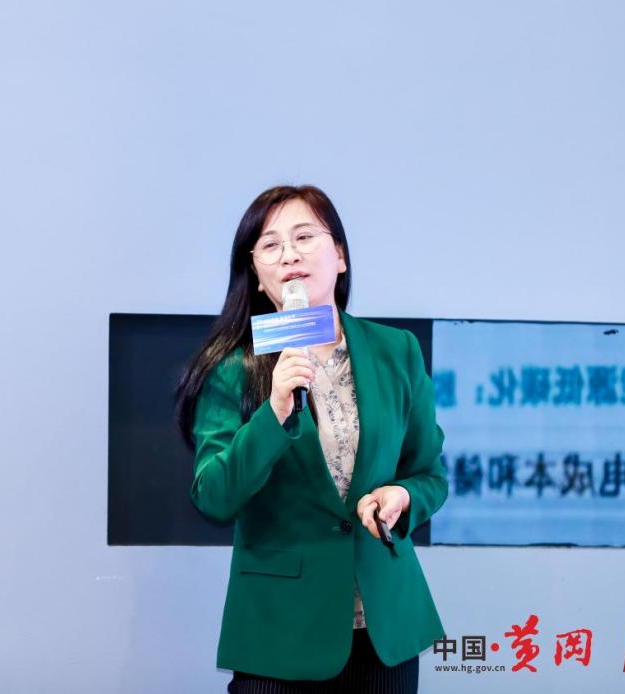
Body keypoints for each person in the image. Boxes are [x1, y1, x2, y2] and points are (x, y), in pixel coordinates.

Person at [174, 185, 448, 693]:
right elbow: (213, 495)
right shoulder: (231, 369)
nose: (290, 254)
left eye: (304, 237)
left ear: (339, 256)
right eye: (270, 245)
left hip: (382, 628)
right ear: (257, 273)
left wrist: (403, 496)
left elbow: (429, 473)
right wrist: (275, 410)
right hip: (280, 634)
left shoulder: (397, 351)